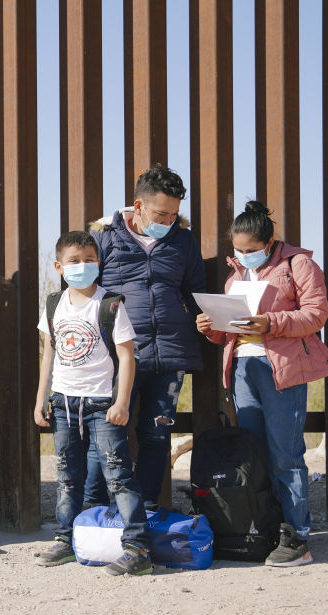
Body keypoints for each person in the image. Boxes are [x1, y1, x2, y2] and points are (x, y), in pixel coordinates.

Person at [196, 200, 328, 567]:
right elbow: (230, 333)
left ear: (270, 242)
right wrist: (211, 329)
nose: (244, 256)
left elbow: (316, 314)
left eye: (251, 250)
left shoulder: (298, 264)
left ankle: (298, 537)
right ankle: (267, 529)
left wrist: (270, 323)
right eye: (238, 251)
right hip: (242, 368)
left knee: (285, 455)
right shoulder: (235, 276)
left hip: (282, 369)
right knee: (254, 456)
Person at [32, 231, 152, 576]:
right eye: (74, 261)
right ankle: (65, 539)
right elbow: (48, 354)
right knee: (68, 476)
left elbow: (128, 356)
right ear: (59, 266)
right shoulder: (54, 304)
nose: (82, 266)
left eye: (88, 259)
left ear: (98, 263)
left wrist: (122, 402)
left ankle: (138, 547)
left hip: (102, 405)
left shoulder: (110, 304)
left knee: (118, 475)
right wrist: (42, 398)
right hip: (64, 403)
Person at [87, 164, 206, 506]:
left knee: (157, 435)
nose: (168, 221)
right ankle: (94, 511)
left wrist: (202, 319)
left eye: (174, 215)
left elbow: (195, 292)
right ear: (138, 206)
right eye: (161, 213)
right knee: (107, 434)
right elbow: (85, 294)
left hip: (170, 355)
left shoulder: (184, 241)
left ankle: (147, 512)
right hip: (117, 356)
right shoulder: (104, 237)